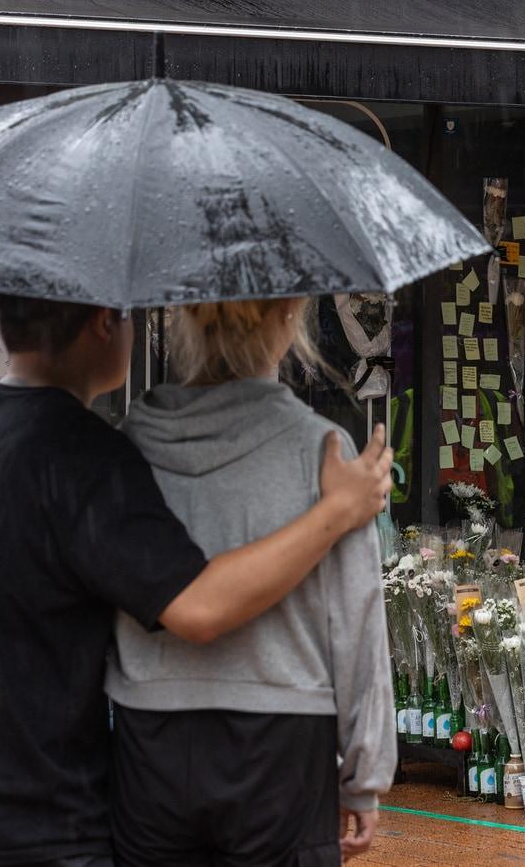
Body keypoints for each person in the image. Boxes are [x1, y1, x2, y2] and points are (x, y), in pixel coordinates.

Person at [0, 295, 392, 867]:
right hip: (31, 817)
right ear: (105, 323)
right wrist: (338, 512)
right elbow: (202, 607)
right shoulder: (85, 453)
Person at [105, 297, 395, 865]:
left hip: (149, 739)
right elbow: (356, 620)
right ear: (290, 320)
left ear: (182, 321)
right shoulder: (322, 450)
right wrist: (363, 775)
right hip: (284, 742)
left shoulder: (128, 444)